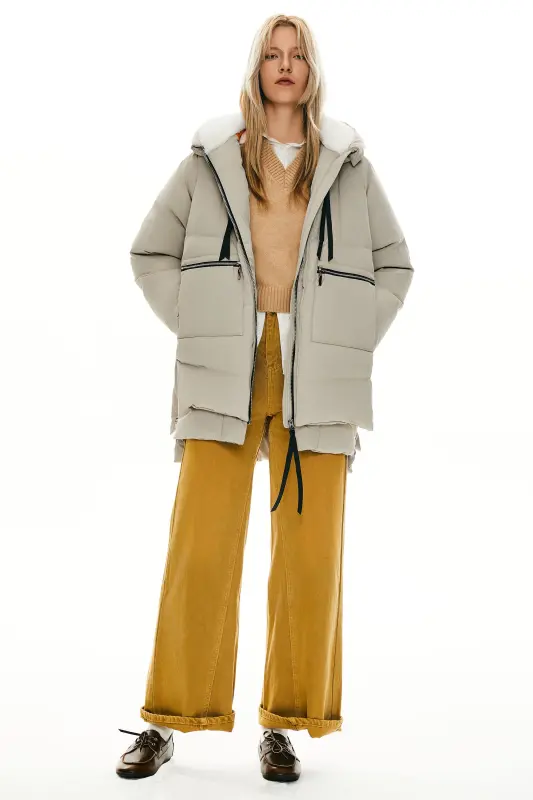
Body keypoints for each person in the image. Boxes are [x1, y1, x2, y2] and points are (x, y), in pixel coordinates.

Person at [115, 13, 414, 783]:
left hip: (317, 376)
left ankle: (282, 727)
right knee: (200, 550)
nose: (285, 65)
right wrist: (204, 322)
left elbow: (394, 265)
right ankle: (166, 720)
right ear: (256, 68)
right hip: (225, 368)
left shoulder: (345, 164)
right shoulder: (212, 159)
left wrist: (349, 336)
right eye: (273, 55)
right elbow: (150, 252)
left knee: (309, 559)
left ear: (312, 71)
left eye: (297, 55)